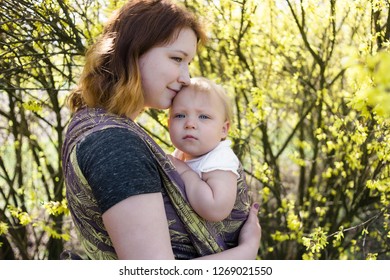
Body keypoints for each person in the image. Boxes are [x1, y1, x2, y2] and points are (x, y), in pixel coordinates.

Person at [61, 0, 260, 260]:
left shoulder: (97, 123)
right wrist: (246, 252)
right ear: (134, 51)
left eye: (187, 63)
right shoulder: (114, 144)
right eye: (177, 58)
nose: (186, 77)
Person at [168, 77, 250, 249]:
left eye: (204, 117)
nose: (190, 124)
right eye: (180, 115)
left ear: (223, 129)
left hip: (222, 250)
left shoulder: (220, 159)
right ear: (168, 124)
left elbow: (215, 208)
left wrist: (185, 173)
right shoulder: (183, 155)